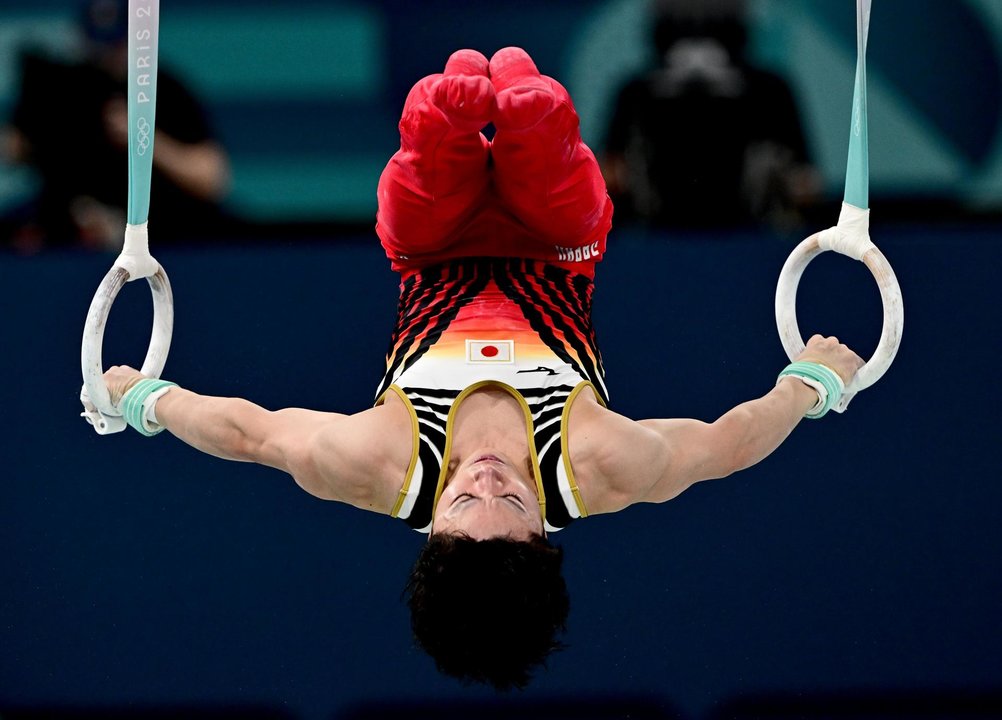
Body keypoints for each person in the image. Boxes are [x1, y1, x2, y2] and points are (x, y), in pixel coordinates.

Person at [94, 47, 863, 690]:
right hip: (555, 247)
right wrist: (810, 385)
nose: (489, 477)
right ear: (545, 534)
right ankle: (531, 117)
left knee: (433, 141)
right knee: (540, 134)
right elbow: (727, 446)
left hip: (432, 248)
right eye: (514, 502)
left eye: (466, 502)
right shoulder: (604, 466)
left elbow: (248, 433)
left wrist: (147, 401)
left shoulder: (375, 463)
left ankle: (448, 119)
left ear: (430, 529)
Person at [2, 0, 229, 251]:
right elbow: (15, 149)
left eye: (116, 43)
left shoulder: (166, 90)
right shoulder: (62, 89)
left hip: (161, 234)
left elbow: (212, 179)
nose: (107, 54)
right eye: (98, 43)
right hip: (76, 241)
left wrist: (143, 135)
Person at [603, 0, 821, 229]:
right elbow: (609, 174)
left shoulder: (770, 90)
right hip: (658, 234)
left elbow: (807, 183)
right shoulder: (636, 93)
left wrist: (788, 188)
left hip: (750, 233)